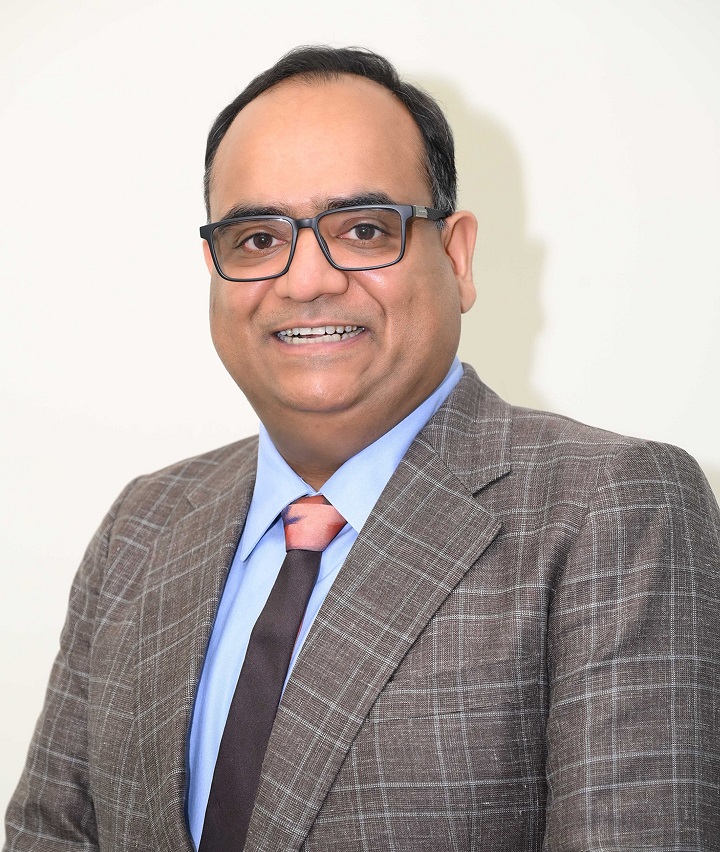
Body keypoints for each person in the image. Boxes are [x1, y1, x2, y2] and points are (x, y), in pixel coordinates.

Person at [4, 45, 719, 852]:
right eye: (257, 239)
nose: (306, 281)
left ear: (457, 258)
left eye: (365, 229)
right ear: (214, 270)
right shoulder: (143, 525)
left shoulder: (612, 509)